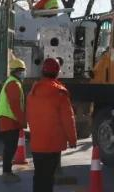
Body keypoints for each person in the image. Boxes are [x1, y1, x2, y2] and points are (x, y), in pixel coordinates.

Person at [26, 57, 78, 190]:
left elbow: (30, 117)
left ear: (42, 72)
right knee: (48, 178)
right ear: (57, 73)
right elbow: (68, 119)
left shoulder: (33, 92)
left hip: (37, 144)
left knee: (38, 176)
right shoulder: (60, 93)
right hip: (53, 144)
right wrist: (72, 140)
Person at [0, 57, 27, 183]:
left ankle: (7, 171)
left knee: (10, 147)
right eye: (22, 70)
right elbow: (15, 105)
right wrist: (22, 121)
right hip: (9, 120)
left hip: (9, 119)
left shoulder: (12, 82)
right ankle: (7, 172)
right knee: (10, 147)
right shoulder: (14, 84)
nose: (23, 73)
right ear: (17, 71)